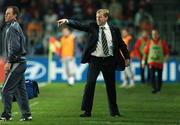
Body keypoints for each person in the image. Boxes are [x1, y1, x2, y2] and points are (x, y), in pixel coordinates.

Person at [57, 9, 130, 117]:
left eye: (100, 17)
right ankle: (87, 111)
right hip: (95, 60)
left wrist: (127, 57)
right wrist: (67, 21)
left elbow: (121, 45)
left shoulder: (114, 30)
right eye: (96, 17)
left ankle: (114, 112)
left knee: (111, 87)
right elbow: (80, 25)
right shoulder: (92, 26)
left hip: (109, 61)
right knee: (90, 84)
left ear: (106, 18)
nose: (98, 19)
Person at [0, 6, 32, 121]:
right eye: (5, 13)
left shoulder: (12, 28)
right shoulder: (13, 26)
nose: (6, 15)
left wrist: (9, 61)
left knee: (6, 90)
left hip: (16, 63)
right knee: (20, 91)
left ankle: (6, 115)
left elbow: (14, 47)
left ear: (15, 15)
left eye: (8, 13)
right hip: (20, 62)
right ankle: (27, 114)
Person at [143, 29, 169, 94]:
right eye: (153, 34)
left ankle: (158, 89)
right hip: (151, 62)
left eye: (155, 34)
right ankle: (154, 88)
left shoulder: (162, 42)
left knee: (159, 77)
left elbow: (167, 53)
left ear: (158, 34)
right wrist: (143, 61)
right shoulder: (149, 42)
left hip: (160, 62)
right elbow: (145, 52)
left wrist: (165, 60)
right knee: (152, 76)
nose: (154, 35)